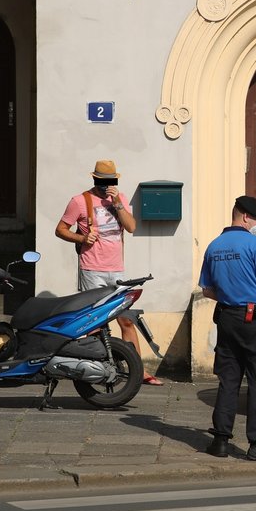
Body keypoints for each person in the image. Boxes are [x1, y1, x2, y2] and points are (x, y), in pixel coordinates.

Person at [55, 159, 162, 385]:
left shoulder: (119, 199)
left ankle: (138, 370)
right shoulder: (79, 201)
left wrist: (117, 204)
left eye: (109, 182)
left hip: (116, 270)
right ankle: (98, 369)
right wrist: (81, 238)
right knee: (94, 323)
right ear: (95, 179)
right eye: (102, 182)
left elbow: (132, 227)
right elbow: (61, 230)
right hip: (92, 269)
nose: (106, 186)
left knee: (126, 320)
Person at [199, 195, 256, 462]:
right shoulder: (255, 244)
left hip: (226, 318)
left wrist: (230, 297)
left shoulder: (214, 246)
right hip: (254, 319)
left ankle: (220, 441)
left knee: (229, 380)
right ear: (246, 217)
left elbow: (207, 289)